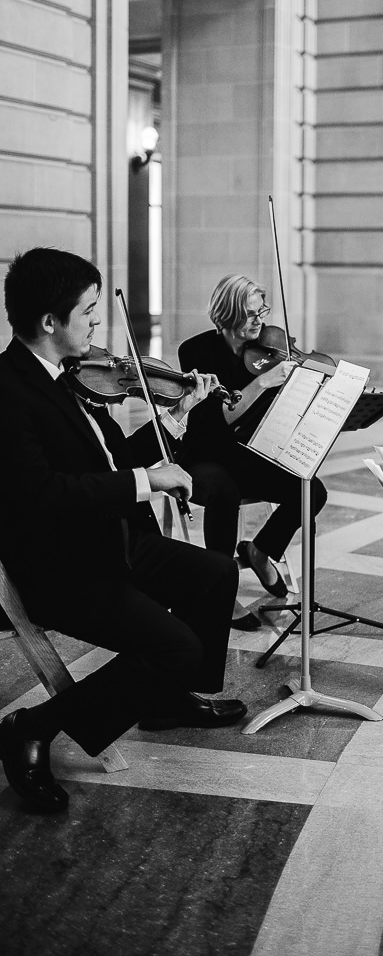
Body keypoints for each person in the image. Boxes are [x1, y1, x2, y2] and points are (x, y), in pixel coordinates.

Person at [0, 248, 248, 815]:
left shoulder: (67, 378)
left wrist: (175, 419)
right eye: (88, 310)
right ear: (49, 322)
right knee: (176, 646)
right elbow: (42, 495)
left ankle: (168, 699)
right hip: (62, 565)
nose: (95, 322)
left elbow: (113, 463)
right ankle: (33, 727)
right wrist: (144, 480)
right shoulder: (8, 391)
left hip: (111, 540)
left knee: (216, 573)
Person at [177, 275, 328, 622]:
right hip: (204, 456)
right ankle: (221, 589)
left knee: (310, 490)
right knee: (224, 491)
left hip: (248, 455)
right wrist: (260, 384)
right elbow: (212, 423)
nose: (259, 321)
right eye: (250, 314)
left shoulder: (266, 353)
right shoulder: (196, 351)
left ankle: (261, 551)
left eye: (263, 311)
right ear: (226, 315)